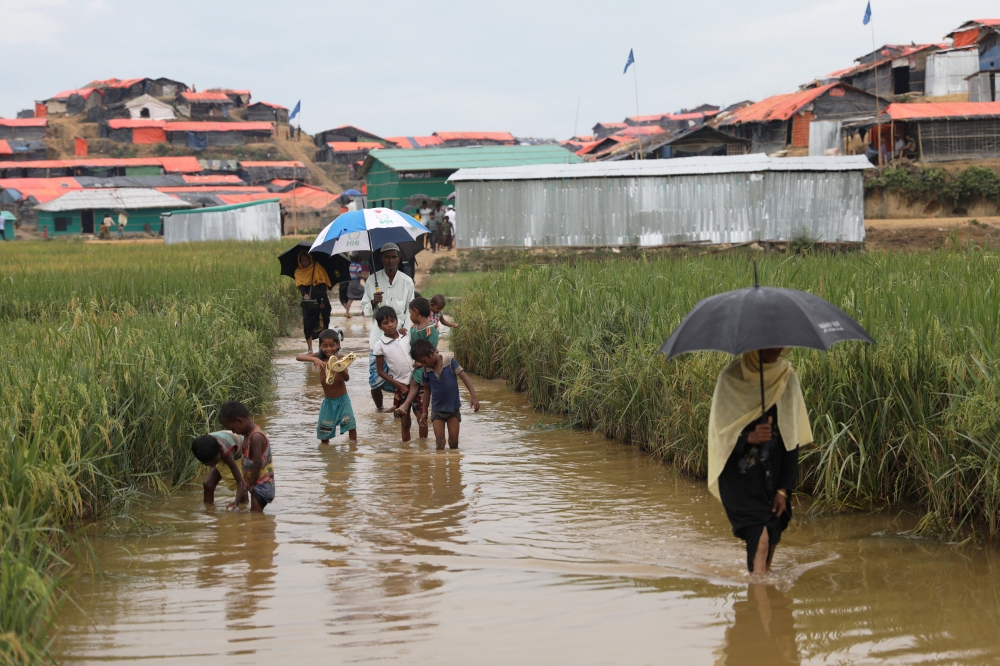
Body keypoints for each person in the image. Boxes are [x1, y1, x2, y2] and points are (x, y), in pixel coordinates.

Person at [708, 348, 812, 575]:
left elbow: (791, 439)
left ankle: (758, 599)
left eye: (779, 344)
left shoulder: (787, 378)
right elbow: (719, 433)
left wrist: (784, 489)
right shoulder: (730, 378)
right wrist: (749, 437)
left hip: (773, 473)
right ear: (754, 346)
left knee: (771, 535)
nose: (776, 349)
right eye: (768, 344)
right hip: (739, 477)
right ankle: (760, 598)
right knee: (761, 536)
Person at [360, 243, 414, 411]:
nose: (391, 260)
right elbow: (366, 311)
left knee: (404, 377)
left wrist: (404, 331)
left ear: (399, 259)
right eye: (387, 257)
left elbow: (410, 311)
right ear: (382, 259)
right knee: (374, 380)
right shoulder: (372, 280)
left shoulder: (407, 282)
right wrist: (373, 302)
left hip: (401, 338)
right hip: (378, 338)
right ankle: (380, 411)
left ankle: (400, 407)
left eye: (394, 257)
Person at [403, 338, 480, 450]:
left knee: (453, 443)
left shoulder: (449, 362)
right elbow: (427, 391)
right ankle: (440, 466)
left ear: (431, 353)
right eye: (421, 362)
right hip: (437, 411)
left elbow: (464, 378)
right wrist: (424, 412)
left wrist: (474, 397)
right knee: (440, 443)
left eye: (424, 361)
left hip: (453, 410)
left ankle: (454, 466)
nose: (423, 365)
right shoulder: (426, 370)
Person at [296, 329, 357, 443]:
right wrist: (314, 358)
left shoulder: (341, 358)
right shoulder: (319, 357)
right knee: (324, 432)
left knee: (350, 424)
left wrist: (341, 368)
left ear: (337, 345)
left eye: (332, 345)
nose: (328, 349)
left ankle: (353, 447)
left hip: (343, 400)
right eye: (325, 346)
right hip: (328, 402)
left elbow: (346, 378)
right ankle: (326, 453)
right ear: (319, 346)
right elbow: (298, 357)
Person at [372, 306, 421, 441]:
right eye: (385, 323)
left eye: (392, 321)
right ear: (379, 326)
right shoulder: (379, 345)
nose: (390, 325)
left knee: (421, 416)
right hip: (402, 386)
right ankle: (406, 449)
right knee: (404, 420)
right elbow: (381, 371)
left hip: (418, 381)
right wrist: (399, 386)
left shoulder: (407, 335)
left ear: (397, 320)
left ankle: (424, 447)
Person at [218, 400, 275, 512]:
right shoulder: (247, 436)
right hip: (255, 485)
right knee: (253, 517)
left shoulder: (256, 437)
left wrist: (252, 484)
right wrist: (236, 502)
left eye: (232, 428)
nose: (233, 432)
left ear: (239, 420)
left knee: (255, 518)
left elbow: (257, 462)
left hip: (262, 487)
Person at [191, 430, 249, 509]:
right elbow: (213, 461)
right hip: (224, 446)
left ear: (220, 450)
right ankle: (209, 512)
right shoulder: (205, 445)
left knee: (239, 487)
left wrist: (236, 502)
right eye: (208, 464)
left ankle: (244, 510)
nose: (212, 466)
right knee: (208, 484)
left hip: (243, 451)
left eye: (214, 462)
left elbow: (240, 482)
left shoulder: (227, 453)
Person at [295, 251, 333, 352]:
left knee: (324, 322)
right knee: (307, 323)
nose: (304, 262)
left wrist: (322, 301)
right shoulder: (298, 271)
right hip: (308, 302)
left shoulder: (317, 267)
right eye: (302, 261)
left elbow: (323, 285)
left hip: (321, 298)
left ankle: (322, 346)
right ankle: (310, 348)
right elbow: (301, 286)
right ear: (299, 262)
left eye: (306, 260)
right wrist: (305, 294)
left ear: (310, 259)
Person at [344, 252, 369, 318]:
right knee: (363, 296)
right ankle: (363, 311)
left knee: (350, 298)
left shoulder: (350, 265)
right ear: (359, 259)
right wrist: (365, 278)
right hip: (357, 283)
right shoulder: (358, 265)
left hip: (351, 283)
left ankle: (347, 312)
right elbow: (358, 274)